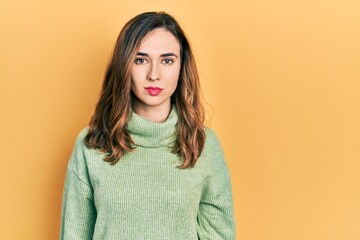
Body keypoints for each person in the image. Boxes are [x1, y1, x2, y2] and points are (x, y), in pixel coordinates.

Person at [60, 11, 235, 240]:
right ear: (124, 66)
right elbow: (73, 235)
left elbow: (220, 235)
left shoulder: (204, 145)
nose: (154, 75)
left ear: (182, 67)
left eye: (167, 60)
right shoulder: (92, 145)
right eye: (140, 60)